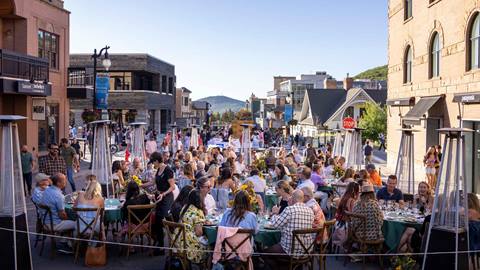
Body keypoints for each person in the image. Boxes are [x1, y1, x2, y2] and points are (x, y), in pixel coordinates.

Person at [265, 190, 314, 269]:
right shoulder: (310, 210)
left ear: (293, 198)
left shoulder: (290, 209)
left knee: (265, 253)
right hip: (306, 250)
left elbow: (275, 224)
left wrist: (274, 213)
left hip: (290, 251)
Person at [151, 152, 176, 255]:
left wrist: (163, 194)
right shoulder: (158, 170)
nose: (152, 164)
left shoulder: (168, 170)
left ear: (157, 161)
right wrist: (140, 185)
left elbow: (172, 187)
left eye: (153, 162)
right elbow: (153, 182)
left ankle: (174, 235)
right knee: (157, 220)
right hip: (159, 196)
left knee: (162, 217)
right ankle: (161, 244)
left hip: (167, 197)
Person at [178, 189, 208, 264]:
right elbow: (198, 233)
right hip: (189, 245)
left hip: (178, 241)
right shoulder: (198, 211)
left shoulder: (185, 207)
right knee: (211, 247)